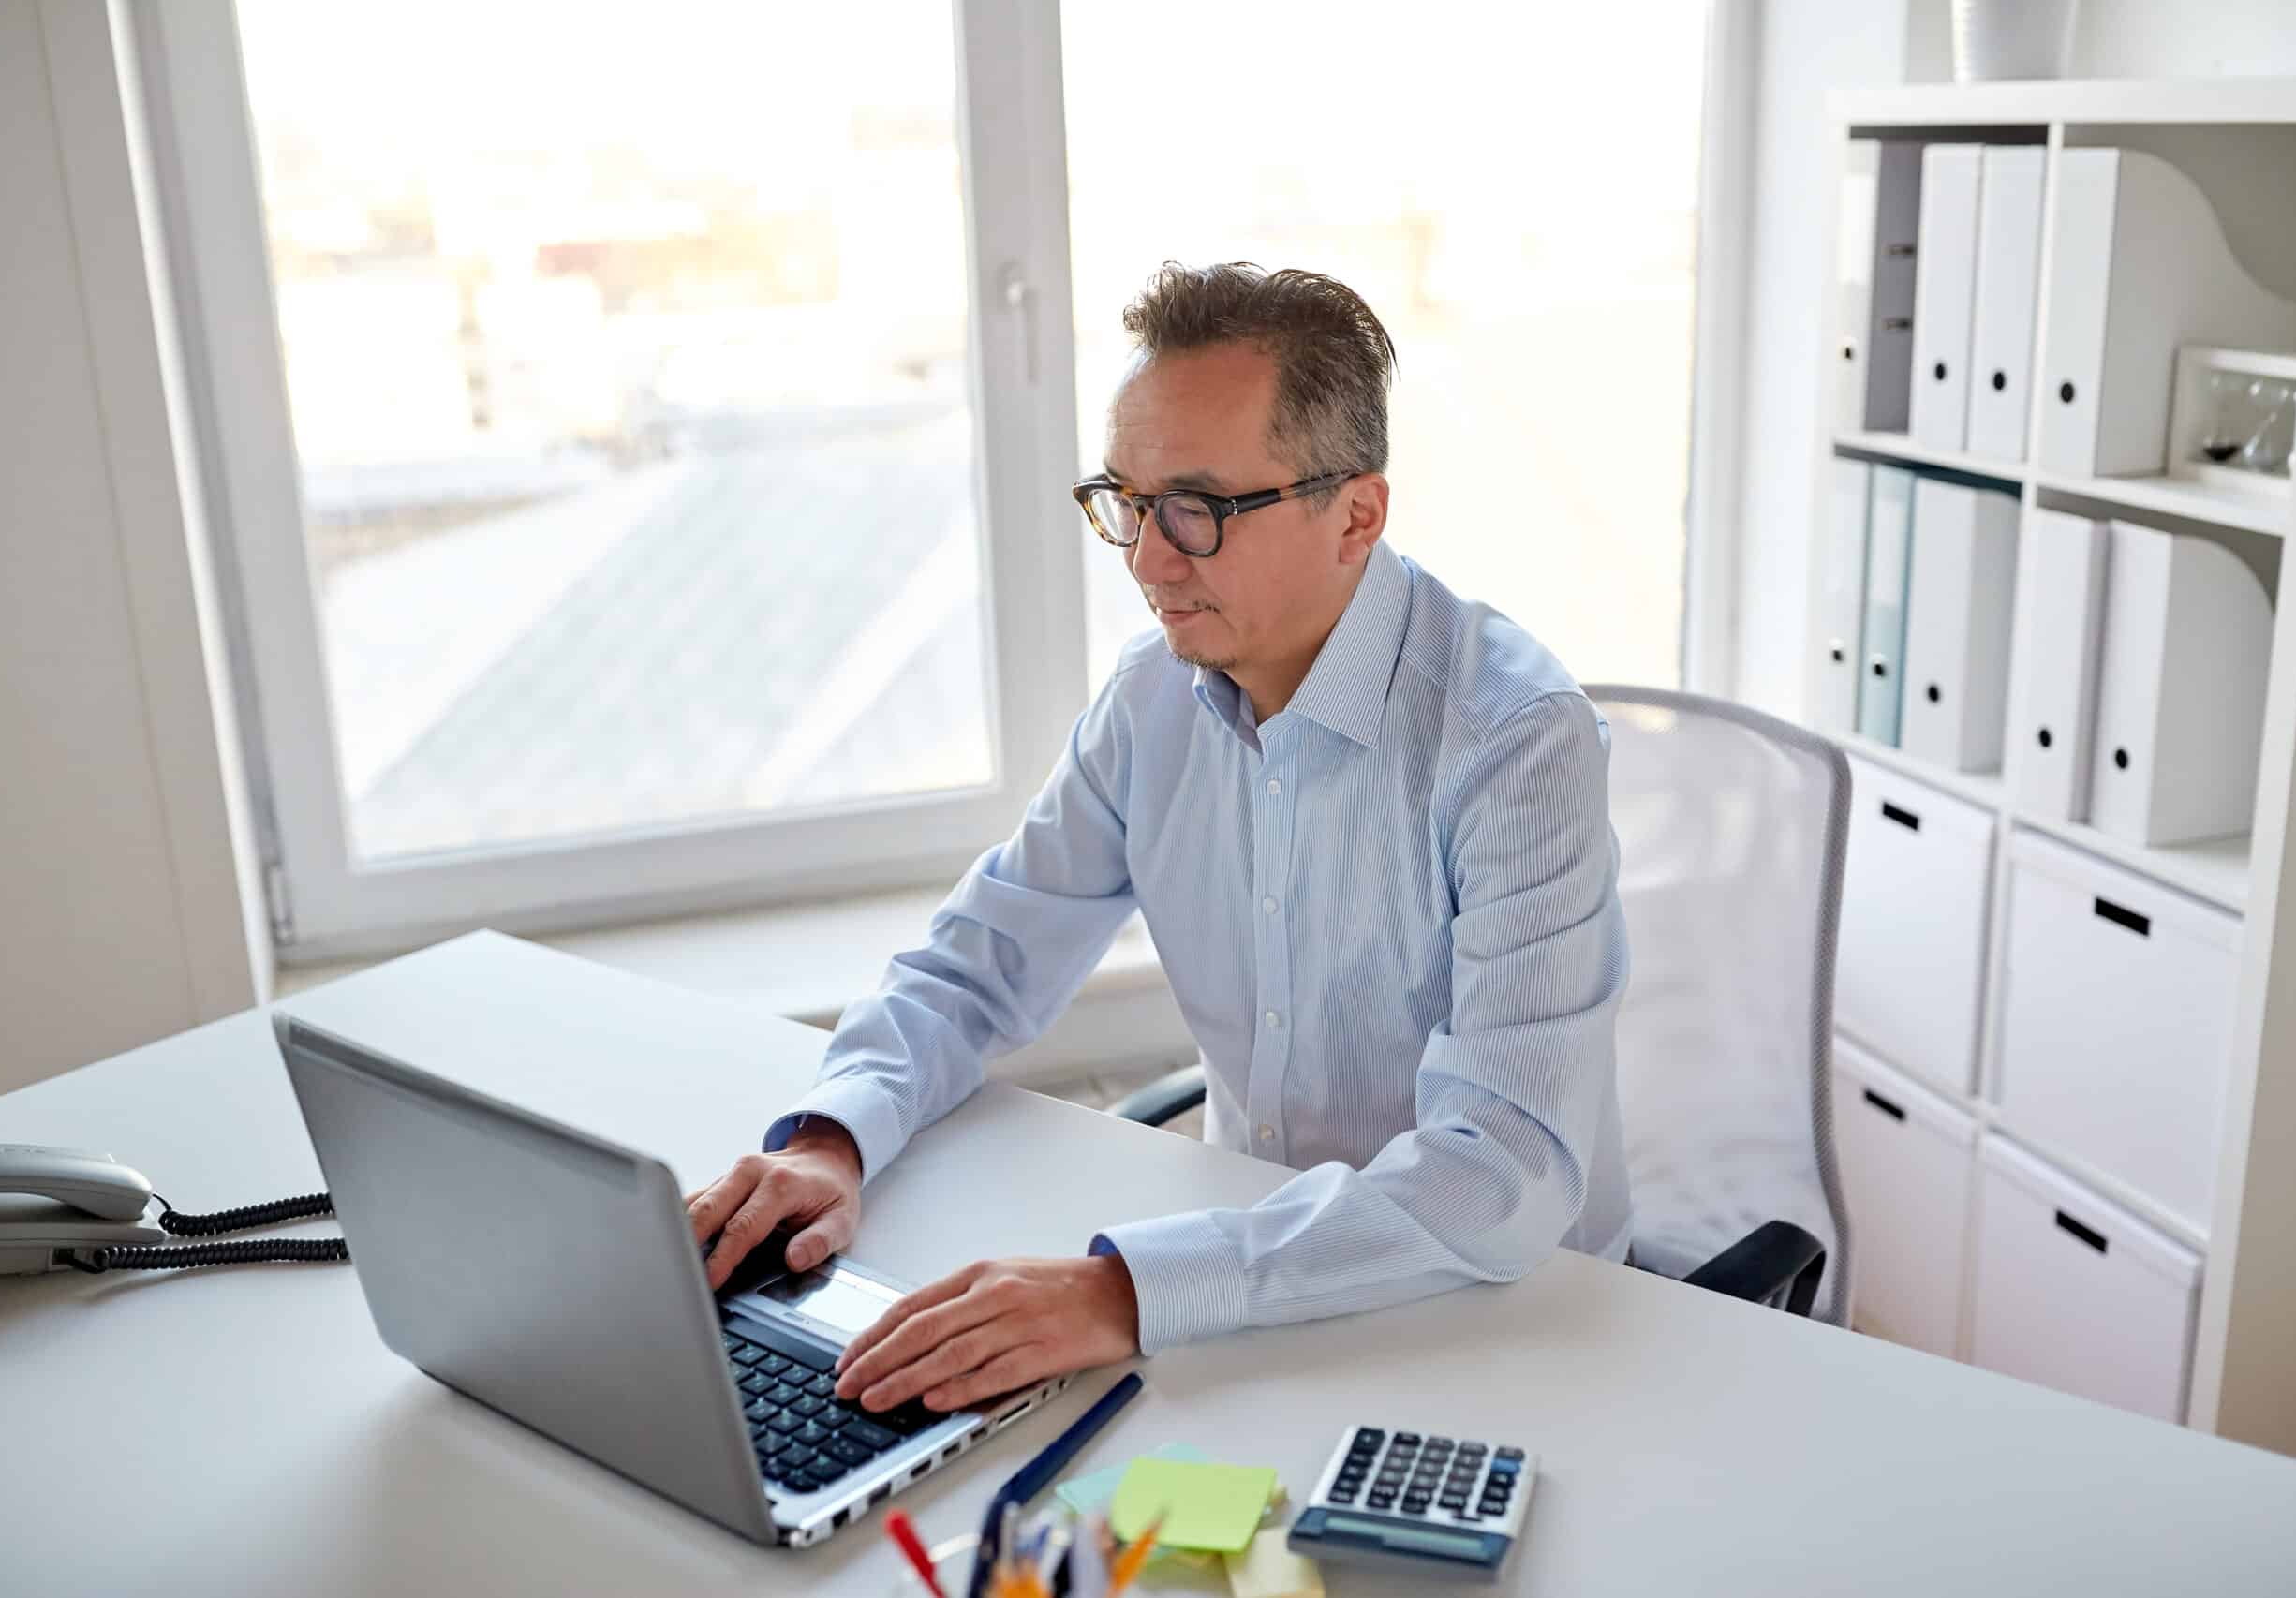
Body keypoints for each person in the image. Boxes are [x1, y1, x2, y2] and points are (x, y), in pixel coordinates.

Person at [686, 262, 1630, 1419]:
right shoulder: (1149, 701)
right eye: (1126, 502)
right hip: (1249, 1305)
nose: (1146, 559)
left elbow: (1500, 1172)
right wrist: (831, 1138)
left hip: (1499, 1319)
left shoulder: (1513, 739)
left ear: (1357, 514)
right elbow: (978, 962)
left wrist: (1121, 1288)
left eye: (1198, 508)